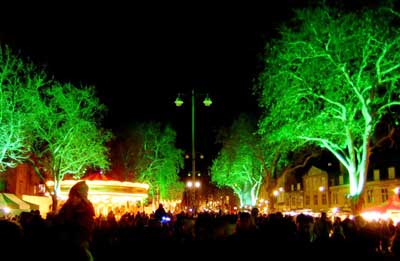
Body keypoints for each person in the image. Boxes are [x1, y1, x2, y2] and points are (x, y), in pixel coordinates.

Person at [55, 180, 95, 260]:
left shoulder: (85, 211)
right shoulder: (66, 208)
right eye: (71, 196)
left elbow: (83, 231)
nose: (73, 198)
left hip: (77, 246)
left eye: (76, 196)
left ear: (81, 198)